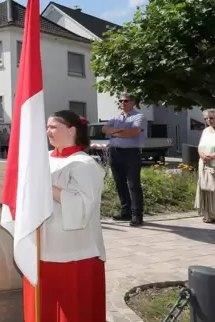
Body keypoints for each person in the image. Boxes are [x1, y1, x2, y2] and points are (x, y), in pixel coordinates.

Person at [22, 110, 106, 321]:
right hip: (42, 243)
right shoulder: (45, 159)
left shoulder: (84, 164)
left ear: (71, 131)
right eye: (47, 127)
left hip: (73, 250)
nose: (47, 131)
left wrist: (46, 187)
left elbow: (82, 205)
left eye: (53, 127)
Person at [103, 94, 146, 226]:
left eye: (126, 100)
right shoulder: (116, 117)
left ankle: (136, 214)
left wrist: (114, 132)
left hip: (131, 153)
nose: (122, 102)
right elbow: (104, 129)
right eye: (121, 100)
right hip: (115, 152)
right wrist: (121, 131)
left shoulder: (139, 116)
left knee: (133, 185)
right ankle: (125, 212)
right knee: (120, 183)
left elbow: (132, 133)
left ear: (133, 102)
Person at [196, 109, 215, 223]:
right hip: (204, 164)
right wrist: (203, 156)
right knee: (205, 188)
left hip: (213, 164)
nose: (208, 120)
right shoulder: (205, 131)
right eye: (206, 118)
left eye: (211, 118)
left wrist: (212, 157)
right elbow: (199, 146)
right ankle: (208, 215)